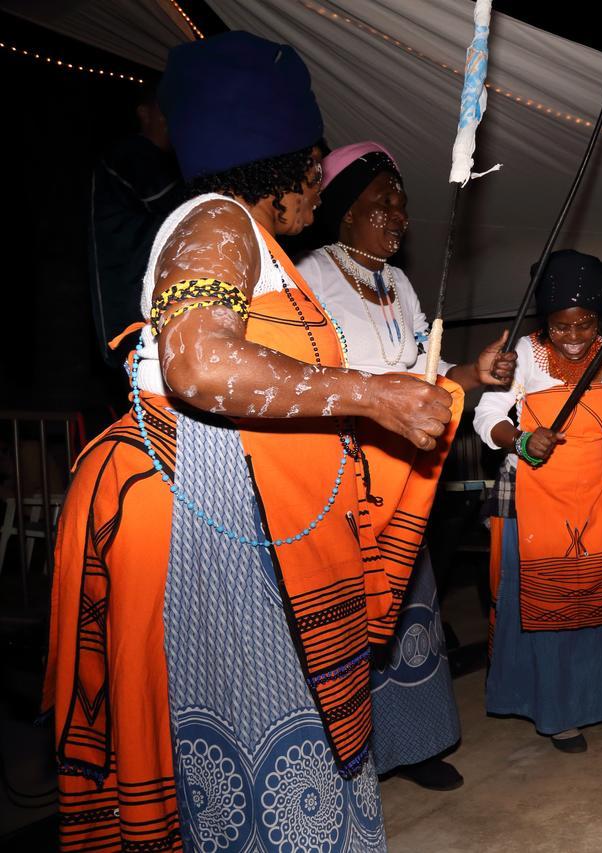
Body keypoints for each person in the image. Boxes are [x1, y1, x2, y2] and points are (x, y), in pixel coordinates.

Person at [44, 32, 456, 851]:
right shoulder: (215, 220)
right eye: (316, 160)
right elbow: (198, 360)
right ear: (289, 161)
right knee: (256, 743)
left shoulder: (249, 242)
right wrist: (371, 393)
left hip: (234, 510)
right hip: (202, 523)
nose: (319, 180)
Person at [298, 140, 516, 792]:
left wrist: (472, 373)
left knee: (406, 612)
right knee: (346, 619)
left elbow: (426, 377)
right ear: (341, 212)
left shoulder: (398, 285)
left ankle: (411, 742)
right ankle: (348, 759)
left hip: (407, 480)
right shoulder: (310, 278)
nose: (398, 215)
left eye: (402, 204)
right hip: (341, 475)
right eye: (380, 203)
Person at [473, 249, 602, 752]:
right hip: (538, 498)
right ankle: (560, 710)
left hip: (596, 494)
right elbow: (486, 415)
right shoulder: (519, 354)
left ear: (598, 320)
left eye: (584, 325)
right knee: (553, 603)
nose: (573, 337)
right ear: (546, 322)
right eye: (562, 327)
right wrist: (520, 440)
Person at [89, 79, 184, 365]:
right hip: (128, 300)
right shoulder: (131, 153)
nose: (174, 118)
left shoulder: (154, 160)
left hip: (140, 297)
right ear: (144, 113)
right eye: (165, 109)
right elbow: (181, 207)